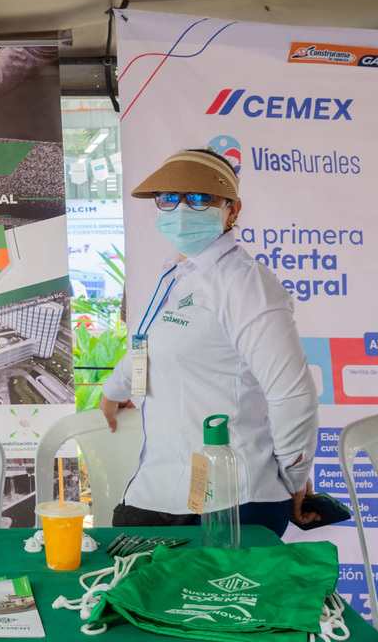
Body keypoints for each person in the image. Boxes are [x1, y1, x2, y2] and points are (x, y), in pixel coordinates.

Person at [100, 148, 320, 536]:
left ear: (233, 210)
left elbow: (291, 393)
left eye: (200, 198)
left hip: (230, 504)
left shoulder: (245, 283)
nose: (182, 209)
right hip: (158, 496)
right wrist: (114, 390)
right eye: (169, 198)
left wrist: (294, 477)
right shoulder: (175, 274)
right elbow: (149, 346)